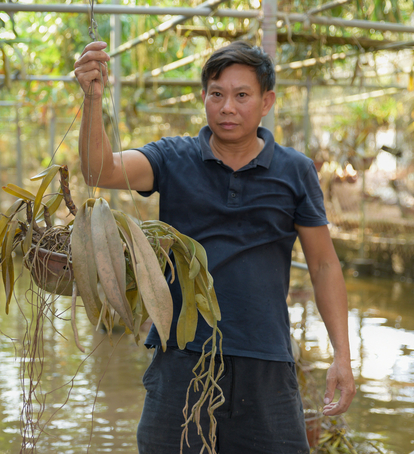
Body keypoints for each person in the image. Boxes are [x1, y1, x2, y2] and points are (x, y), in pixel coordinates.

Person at [73, 40, 355, 453]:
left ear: (266, 102)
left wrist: (342, 357)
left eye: (242, 95)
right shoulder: (173, 158)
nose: (227, 107)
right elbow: (100, 169)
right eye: (217, 94)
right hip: (181, 357)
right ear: (203, 97)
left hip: (266, 361)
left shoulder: (295, 171)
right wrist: (94, 99)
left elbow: (325, 266)